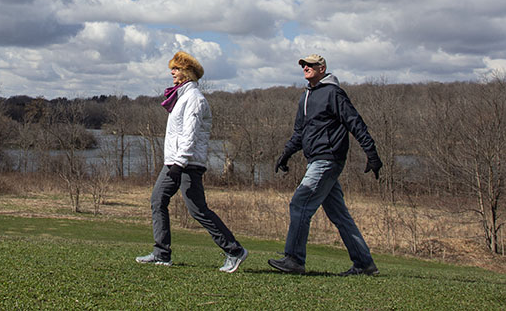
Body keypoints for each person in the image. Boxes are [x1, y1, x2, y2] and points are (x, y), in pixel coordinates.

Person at [268, 54, 382, 276]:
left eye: (311, 65)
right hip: (315, 160)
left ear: (322, 68)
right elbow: (300, 132)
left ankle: (294, 259)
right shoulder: (306, 97)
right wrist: (286, 154)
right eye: (304, 65)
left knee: (300, 204)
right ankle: (364, 264)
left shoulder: (333, 93)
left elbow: (355, 122)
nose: (306, 68)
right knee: (340, 215)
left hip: (327, 159)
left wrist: (372, 153)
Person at [136, 51, 248, 273]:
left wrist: (180, 163)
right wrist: (174, 162)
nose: (172, 72)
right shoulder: (181, 97)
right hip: (174, 162)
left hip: (187, 163)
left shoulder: (195, 99)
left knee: (198, 210)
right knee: (157, 200)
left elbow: (190, 134)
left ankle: (234, 251)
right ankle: (161, 253)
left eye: (176, 69)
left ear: (186, 73)